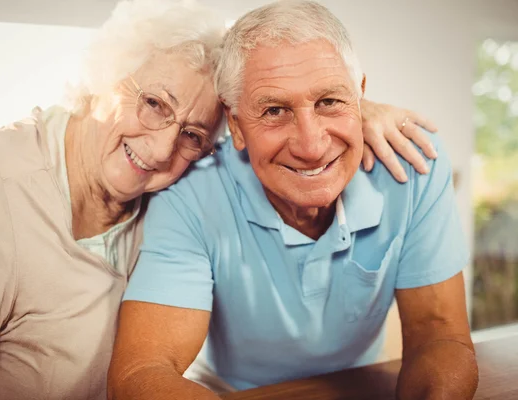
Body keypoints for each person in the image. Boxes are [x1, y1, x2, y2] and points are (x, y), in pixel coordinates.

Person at [0, 1, 437, 399]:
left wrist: (354, 108)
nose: (164, 147)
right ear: (103, 78)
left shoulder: (178, 185)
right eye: (152, 104)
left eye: (192, 133)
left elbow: (272, 92)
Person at [108, 1, 478, 400]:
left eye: (329, 102)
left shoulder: (413, 166)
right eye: (274, 110)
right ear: (235, 125)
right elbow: (141, 371)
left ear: (360, 97)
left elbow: (439, 335)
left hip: (361, 387)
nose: (311, 145)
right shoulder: (190, 194)